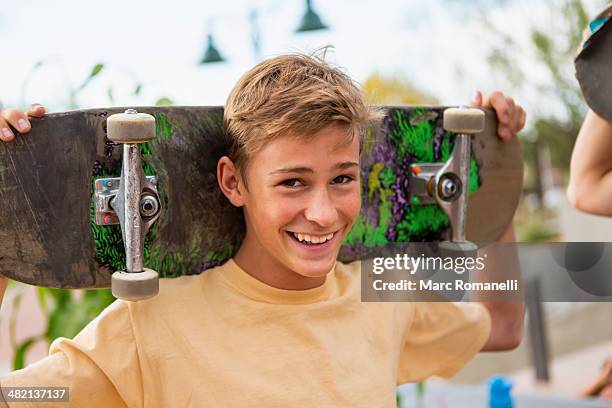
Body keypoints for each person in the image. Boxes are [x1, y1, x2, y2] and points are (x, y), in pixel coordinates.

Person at [0, 53, 525, 407]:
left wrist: (497, 174)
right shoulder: (151, 323)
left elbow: (503, 327)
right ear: (234, 181)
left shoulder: (382, 297)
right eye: (293, 182)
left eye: (342, 178)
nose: (322, 212)